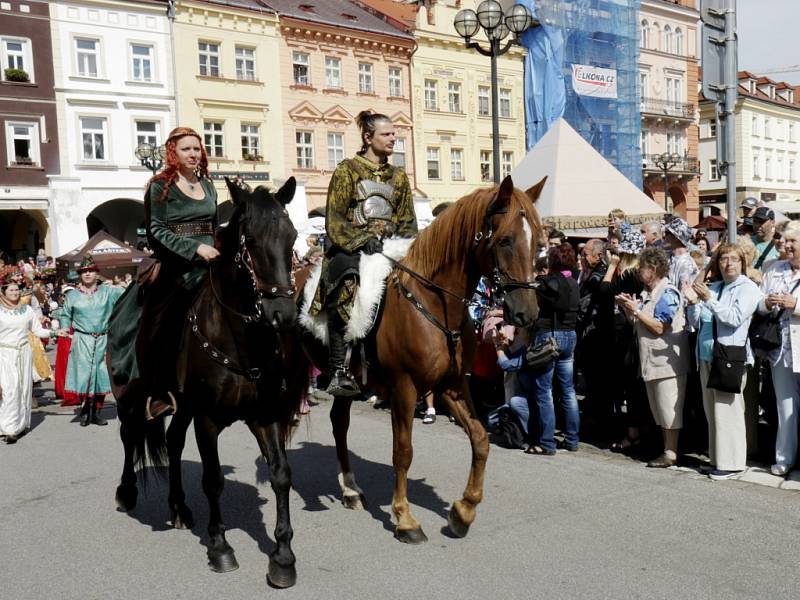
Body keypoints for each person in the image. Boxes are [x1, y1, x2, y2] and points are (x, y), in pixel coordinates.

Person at [310, 110, 417, 397]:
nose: (393, 138)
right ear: (368, 137)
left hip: (390, 246)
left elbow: (408, 220)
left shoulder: (399, 177)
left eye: (394, 133)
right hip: (351, 247)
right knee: (347, 280)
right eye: (386, 134)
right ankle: (338, 369)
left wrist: (400, 241)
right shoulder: (347, 170)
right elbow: (335, 219)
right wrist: (362, 239)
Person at [122, 126, 220, 420]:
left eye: (196, 148)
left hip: (211, 263)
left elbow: (213, 226)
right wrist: (195, 249)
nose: (193, 154)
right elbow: (156, 230)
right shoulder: (160, 185)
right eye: (186, 149)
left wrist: (216, 247)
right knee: (161, 319)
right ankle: (158, 391)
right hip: (176, 267)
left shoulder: (209, 185)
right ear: (172, 153)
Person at [685, 244, 761, 480]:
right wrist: (693, 304)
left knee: (729, 412)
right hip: (707, 356)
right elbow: (697, 322)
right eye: (723, 259)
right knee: (713, 412)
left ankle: (733, 463)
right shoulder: (716, 286)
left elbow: (734, 318)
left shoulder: (748, 288)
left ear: (742, 263)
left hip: (730, 356)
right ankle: (718, 458)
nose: (728, 264)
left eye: (733, 260)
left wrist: (708, 300)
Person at [495, 243, 580, 455]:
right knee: (568, 392)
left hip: (548, 338)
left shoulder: (546, 283)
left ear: (552, 261)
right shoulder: (574, 282)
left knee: (544, 392)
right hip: (570, 336)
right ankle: (572, 440)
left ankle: (546, 443)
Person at [616, 248, 690, 468]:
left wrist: (637, 312)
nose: (638, 271)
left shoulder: (668, 293)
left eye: (642, 267)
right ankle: (665, 449)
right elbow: (641, 325)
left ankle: (671, 452)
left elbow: (660, 326)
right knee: (660, 410)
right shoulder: (649, 293)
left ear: (653, 269)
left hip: (667, 362)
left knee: (669, 409)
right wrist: (630, 310)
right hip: (652, 361)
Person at [58, 256, 124, 426]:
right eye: (84, 272)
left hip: (103, 339)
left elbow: (129, 296)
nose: (87, 274)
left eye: (90, 271)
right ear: (80, 275)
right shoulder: (72, 295)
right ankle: (86, 409)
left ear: (96, 274)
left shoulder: (109, 292)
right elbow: (65, 314)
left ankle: (96, 412)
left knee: (100, 374)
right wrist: (64, 327)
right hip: (82, 339)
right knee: (84, 374)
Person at [757, 221, 800, 476]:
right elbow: (759, 303)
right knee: (785, 407)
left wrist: (795, 304)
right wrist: (767, 302)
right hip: (780, 348)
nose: (787, 245)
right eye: (785, 241)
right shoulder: (774, 270)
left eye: (793, 241)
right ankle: (784, 458)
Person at [0, 281, 53, 443]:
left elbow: (38, 331)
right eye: (11, 290)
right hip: (4, 354)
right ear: (3, 292)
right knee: (9, 389)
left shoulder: (27, 310)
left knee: (23, 390)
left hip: (24, 353)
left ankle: (20, 425)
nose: (15, 293)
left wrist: (56, 332)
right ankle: (9, 428)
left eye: (17, 290)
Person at [664, 216, 699, 291]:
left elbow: (684, 296)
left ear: (676, 237)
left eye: (667, 233)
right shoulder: (669, 259)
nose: (664, 236)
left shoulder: (687, 264)